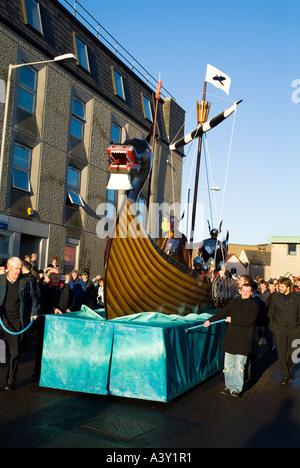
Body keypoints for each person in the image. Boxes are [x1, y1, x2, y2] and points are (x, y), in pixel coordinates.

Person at [203, 283, 258, 397]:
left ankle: (236, 389)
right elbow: (224, 312)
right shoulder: (235, 301)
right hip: (230, 338)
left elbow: (249, 321)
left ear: (251, 293)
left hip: (243, 340)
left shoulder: (254, 305)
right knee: (228, 366)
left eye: (248, 291)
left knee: (239, 366)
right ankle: (229, 386)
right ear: (240, 290)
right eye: (244, 290)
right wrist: (210, 320)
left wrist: (233, 319)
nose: (245, 293)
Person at [0, 257, 38, 390]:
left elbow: (34, 299)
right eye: (15, 268)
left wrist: (34, 312)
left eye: (19, 268)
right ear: (9, 268)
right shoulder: (0, 281)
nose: (18, 271)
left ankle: (11, 381)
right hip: (1, 320)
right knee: (0, 354)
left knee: (14, 353)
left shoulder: (25, 282)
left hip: (16, 322)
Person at [32, 267, 76, 380]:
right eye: (52, 274)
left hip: (64, 321)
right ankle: (38, 373)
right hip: (48, 322)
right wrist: (53, 309)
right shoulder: (45, 288)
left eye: (57, 274)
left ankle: (60, 373)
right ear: (49, 276)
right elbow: (43, 302)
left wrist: (70, 309)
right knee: (43, 347)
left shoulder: (66, 287)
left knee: (63, 347)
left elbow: (74, 300)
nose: (55, 276)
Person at [268, 277, 300, 385]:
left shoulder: (297, 298)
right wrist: (272, 327)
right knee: (281, 355)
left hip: (295, 330)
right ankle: (284, 377)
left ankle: (289, 370)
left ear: (288, 287)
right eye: (279, 286)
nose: (279, 288)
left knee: (294, 354)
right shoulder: (275, 297)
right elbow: (271, 313)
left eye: (282, 286)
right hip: (279, 330)